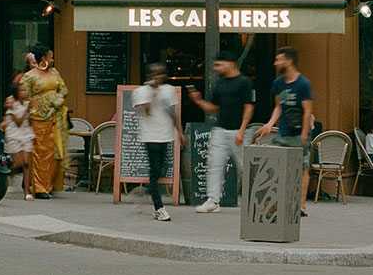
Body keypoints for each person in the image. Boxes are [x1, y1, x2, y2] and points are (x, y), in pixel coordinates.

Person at [189, 53, 255, 212]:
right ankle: (213, 201)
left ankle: (255, 199)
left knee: (245, 166)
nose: (216, 68)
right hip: (220, 129)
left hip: (239, 131)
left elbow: (249, 107)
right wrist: (198, 100)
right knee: (214, 166)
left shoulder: (244, 83)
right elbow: (213, 107)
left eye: (219, 65)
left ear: (231, 63)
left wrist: (242, 130)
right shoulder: (220, 84)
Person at [257, 47, 314, 210]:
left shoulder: (303, 84)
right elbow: (278, 107)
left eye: (279, 59)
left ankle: (301, 205)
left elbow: (307, 110)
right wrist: (269, 124)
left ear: (289, 61)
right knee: (274, 164)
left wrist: (304, 134)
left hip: (298, 133)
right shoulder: (278, 83)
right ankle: (274, 201)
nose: (276, 63)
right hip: (283, 131)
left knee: (301, 168)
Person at [133, 62, 181, 221]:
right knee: (155, 171)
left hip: (166, 135)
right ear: (149, 76)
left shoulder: (169, 90)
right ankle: (159, 208)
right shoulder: (141, 92)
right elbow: (147, 110)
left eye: (160, 73)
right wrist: (153, 93)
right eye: (155, 74)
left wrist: (180, 132)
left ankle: (149, 190)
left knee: (161, 171)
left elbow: (172, 112)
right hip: (150, 136)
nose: (158, 77)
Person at [26, 47, 70, 197]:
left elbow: (64, 90)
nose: (53, 60)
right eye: (51, 57)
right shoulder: (30, 76)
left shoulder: (55, 73)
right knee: (40, 152)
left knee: (55, 152)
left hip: (55, 117)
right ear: (43, 58)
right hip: (38, 118)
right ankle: (39, 188)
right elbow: (23, 96)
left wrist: (58, 100)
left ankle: (49, 185)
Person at [2, 77, 35, 199]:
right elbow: (19, 122)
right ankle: (4, 175)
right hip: (14, 135)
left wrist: (31, 111)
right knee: (18, 163)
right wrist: (27, 110)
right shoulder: (12, 105)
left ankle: (27, 191)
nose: (25, 93)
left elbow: (30, 122)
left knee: (26, 163)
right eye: (22, 91)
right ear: (17, 93)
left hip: (26, 134)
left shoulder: (27, 104)